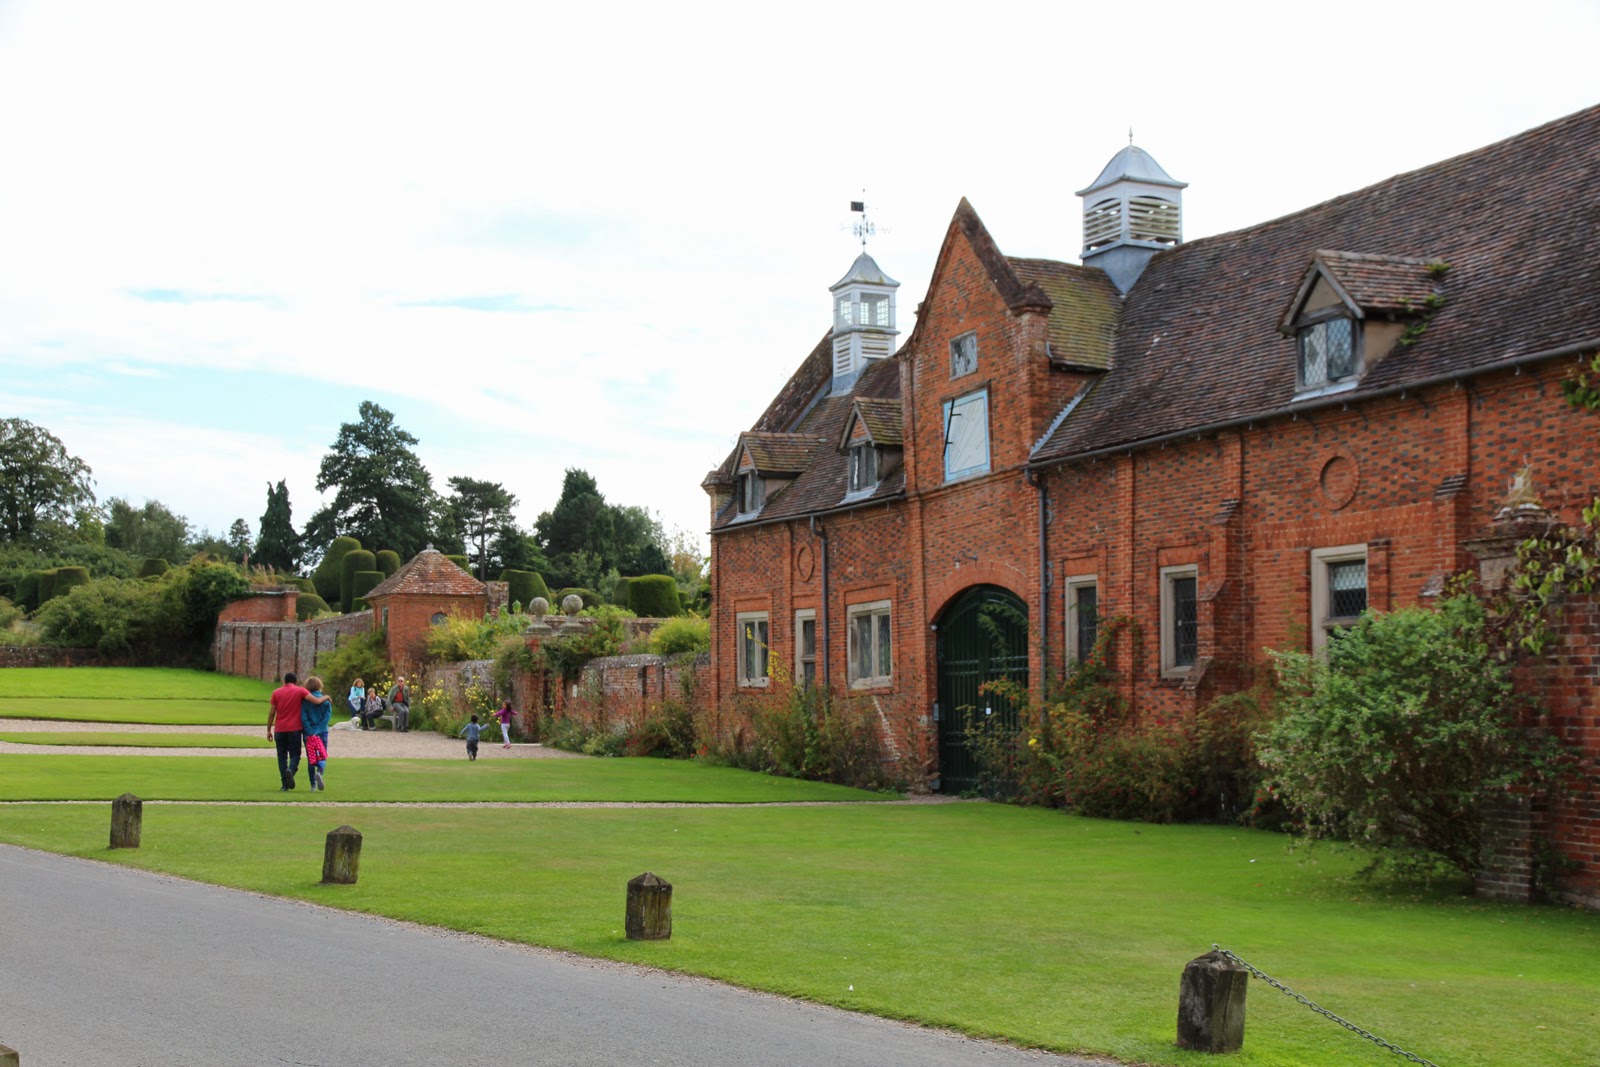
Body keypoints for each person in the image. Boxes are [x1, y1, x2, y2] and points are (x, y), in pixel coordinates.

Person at [266, 672, 330, 792]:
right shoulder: (300, 691)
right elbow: (317, 701)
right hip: (294, 729)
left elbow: (271, 713)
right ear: (295, 681)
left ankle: (285, 784)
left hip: (279, 729)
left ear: (284, 681)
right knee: (295, 755)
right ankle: (291, 770)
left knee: (281, 756)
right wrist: (326, 697)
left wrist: (269, 730)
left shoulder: (276, 692)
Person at [301, 675, 332, 791]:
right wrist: (318, 730)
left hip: (308, 733)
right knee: (322, 755)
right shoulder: (326, 701)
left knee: (311, 758)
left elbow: (303, 717)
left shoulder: (305, 701)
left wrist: (310, 731)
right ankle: (319, 772)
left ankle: (312, 784)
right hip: (322, 732)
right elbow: (326, 717)